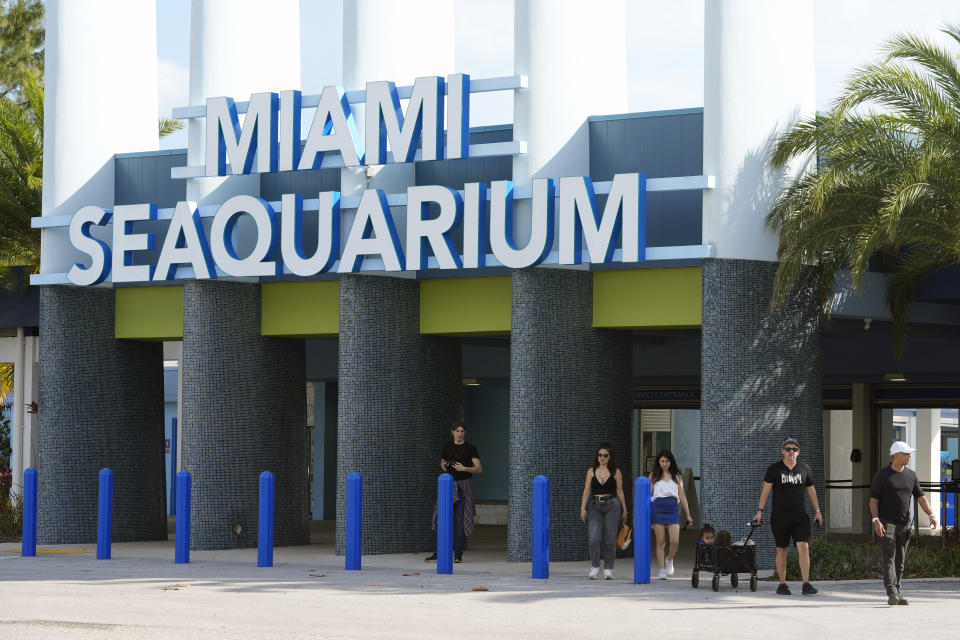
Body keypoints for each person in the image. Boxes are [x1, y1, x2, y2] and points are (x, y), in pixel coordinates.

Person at [752, 436, 823, 596]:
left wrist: (817, 511)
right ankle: (782, 584)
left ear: (798, 452)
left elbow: (811, 490)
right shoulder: (774, 469)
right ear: (782, 451)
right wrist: (759, 511)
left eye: (794, 449)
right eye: (788, 449)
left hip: (800, 516)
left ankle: (806, 583)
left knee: (803, 547)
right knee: (782, 549)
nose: (791, 452)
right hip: (780, 516)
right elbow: (766, 490)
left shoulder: (804, 469)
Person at [870, 441, 938, 606]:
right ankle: (891, 592)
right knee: (889, 558)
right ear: (896, 455)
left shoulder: (911, 475)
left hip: (905, 525)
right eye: (906, 453)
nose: (909, 456)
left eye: (909, 453)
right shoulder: (882, 475)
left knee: (900, 561)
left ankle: (898, 592)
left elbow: (920, 497)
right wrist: (876, 520)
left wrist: (931, 514)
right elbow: (873, 500)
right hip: (887, 523)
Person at [424, 420, 482, 563]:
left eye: (462, 431)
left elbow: (479, 469)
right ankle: (439, 552)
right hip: (448, 486)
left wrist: (464, 468)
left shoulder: (470, 448)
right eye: (457, 431)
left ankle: (458, 553)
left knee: (461, 521)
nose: (460, 434)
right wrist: (444, 465)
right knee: (442, 518)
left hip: (464, 486)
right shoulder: (447, 447)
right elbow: (443, 462)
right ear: (452, 432)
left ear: (465, 432)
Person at [579, 442, 627, 579]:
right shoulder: (591, 471)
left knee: (610, 538)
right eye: (600, 455)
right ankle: (595, 566)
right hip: (595, 505)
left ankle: (608, 569)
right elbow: (587, 490)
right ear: (597, 456)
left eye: (605, 455)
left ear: (610, 457)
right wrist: (582, 508)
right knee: (594, 537)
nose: (602, 458)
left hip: (613, 505)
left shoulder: (616, 472)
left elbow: (620, 491)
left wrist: (625, 510)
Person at [649, 450, 694, 579]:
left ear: (671, 462)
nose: (664, 464)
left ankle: (669, 559)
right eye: (662, 461)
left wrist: (688, 514)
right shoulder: (654, 475)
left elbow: (682, 495)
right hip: (658, 508)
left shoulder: (677, 475)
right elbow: (648, 493)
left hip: (672, 508)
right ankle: (662, 569)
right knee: (660, 542)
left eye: (667, 461)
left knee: (675, 541)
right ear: (658, 461)